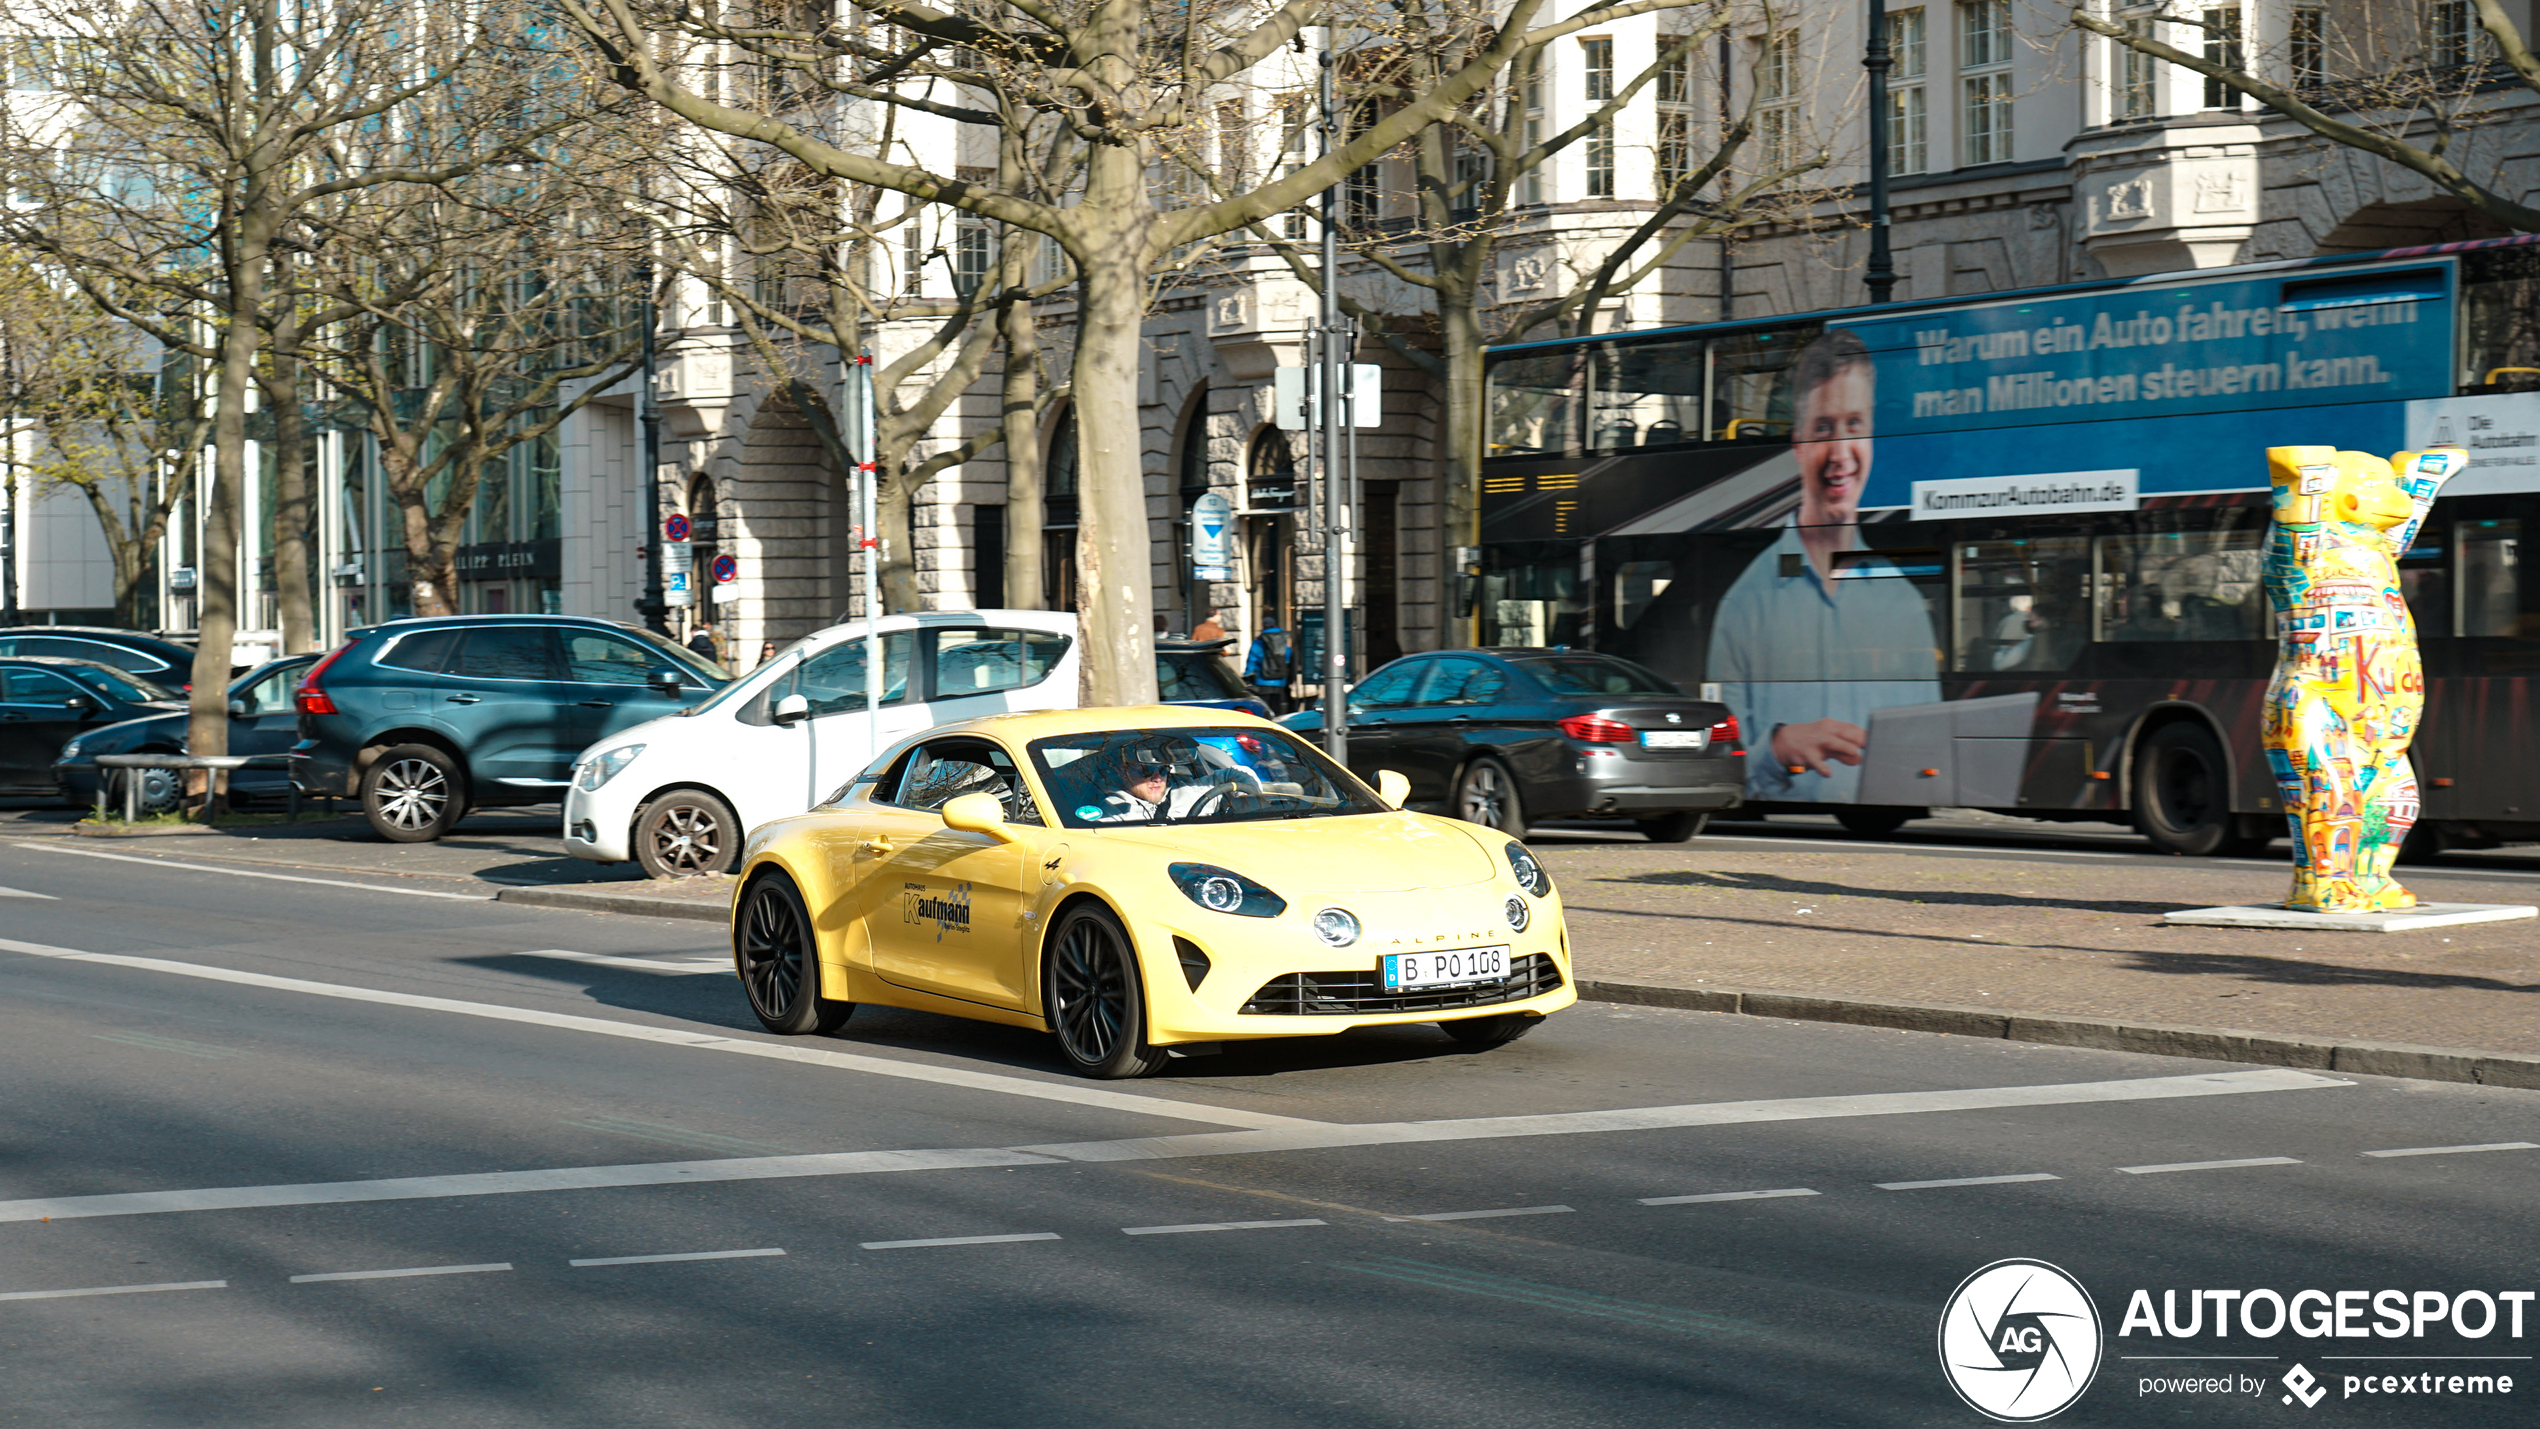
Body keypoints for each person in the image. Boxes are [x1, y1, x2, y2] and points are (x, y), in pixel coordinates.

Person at [1705, 328, 1941, 803]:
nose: (1840, 454)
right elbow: (1717, 766)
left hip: (1883, 845)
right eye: (1823, 428)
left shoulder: (1904, 604)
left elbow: (1928, 760)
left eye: (1855, 425)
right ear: (1798, 444)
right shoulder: (1744, 605)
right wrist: (1776, 748)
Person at [1243, 624, 1291, 714]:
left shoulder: (1258, 642)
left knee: (1264, 709)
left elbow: (1252, 661)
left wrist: (1247, 675)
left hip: (1262, 681)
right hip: (1280, 681)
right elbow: (1287, 659)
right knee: (1277, 708)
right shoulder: (1283, 641)